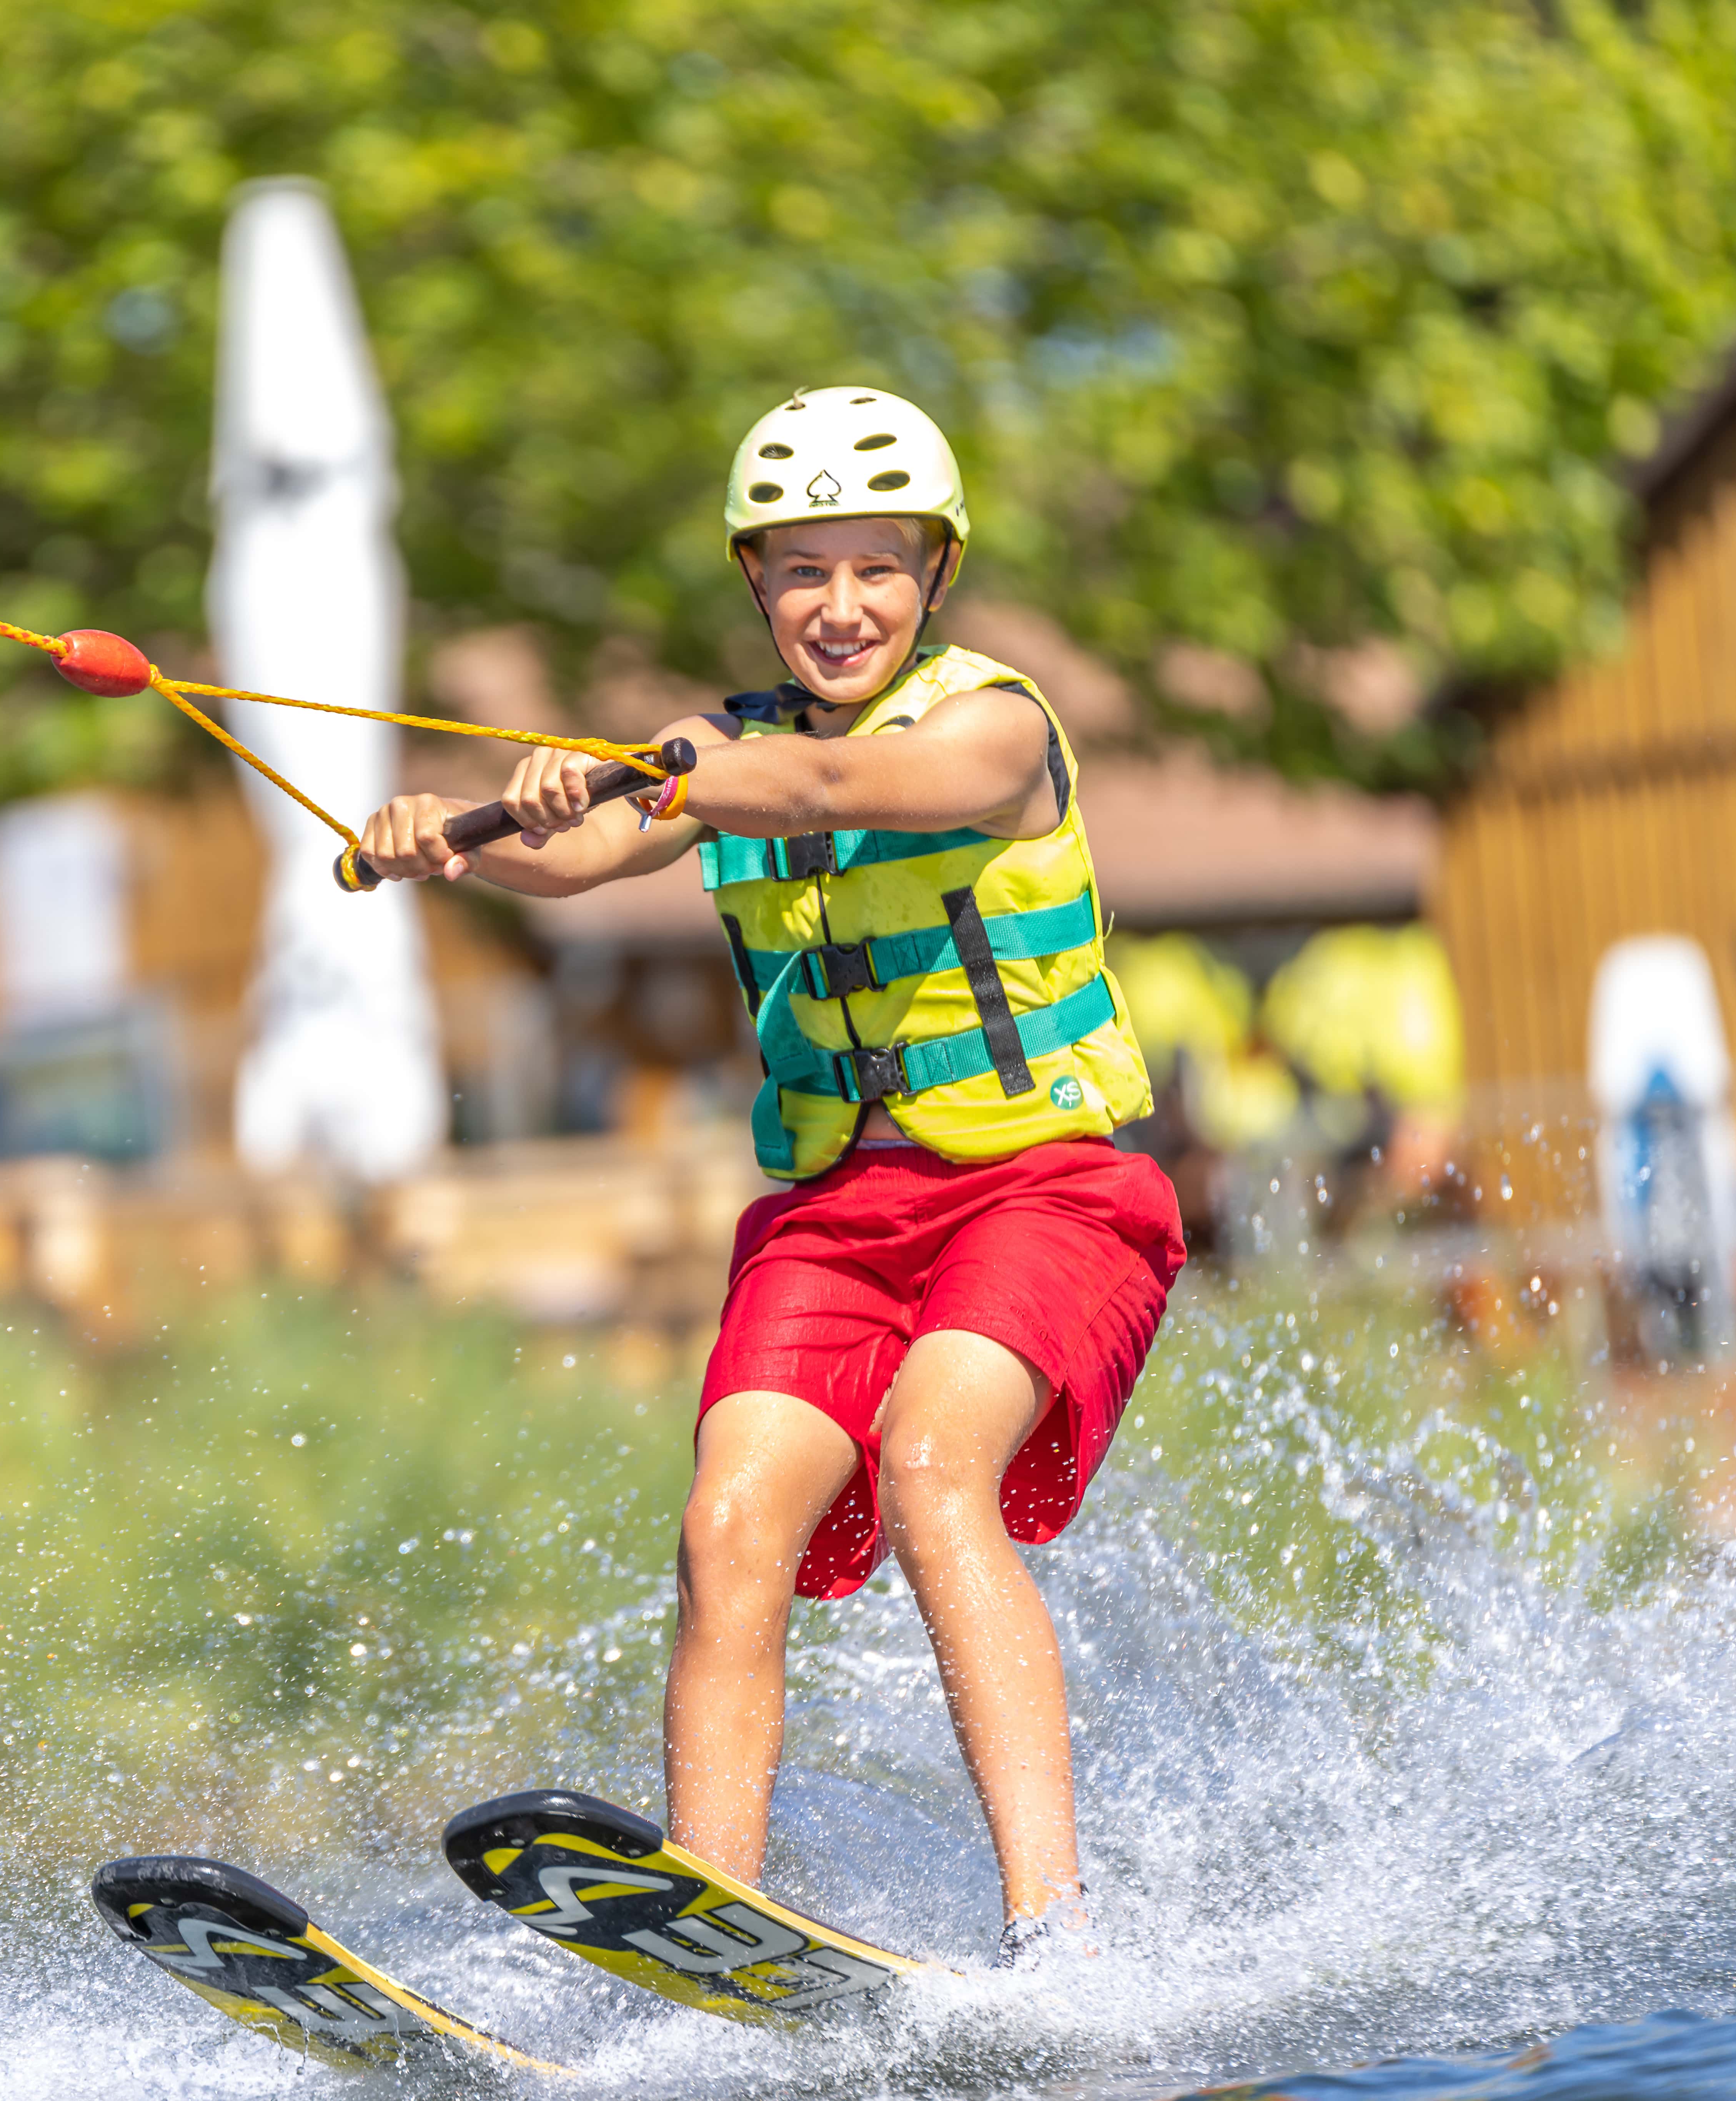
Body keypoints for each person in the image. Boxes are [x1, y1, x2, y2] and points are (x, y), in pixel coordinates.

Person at [356, 387, 1184, 1961]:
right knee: (726, 1520)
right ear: (754, 583)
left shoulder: (992, 726)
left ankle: (1055, 1937)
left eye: (874, 568)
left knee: (937, 1464)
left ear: (935, 572)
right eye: (799, 572)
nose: (838, 606)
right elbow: (583, 855)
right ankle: (704, 1924)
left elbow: (824, 791)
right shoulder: (714, 751)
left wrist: (650, 767)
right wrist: (457, 833)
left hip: (1044, 1189)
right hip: (833, 1216)